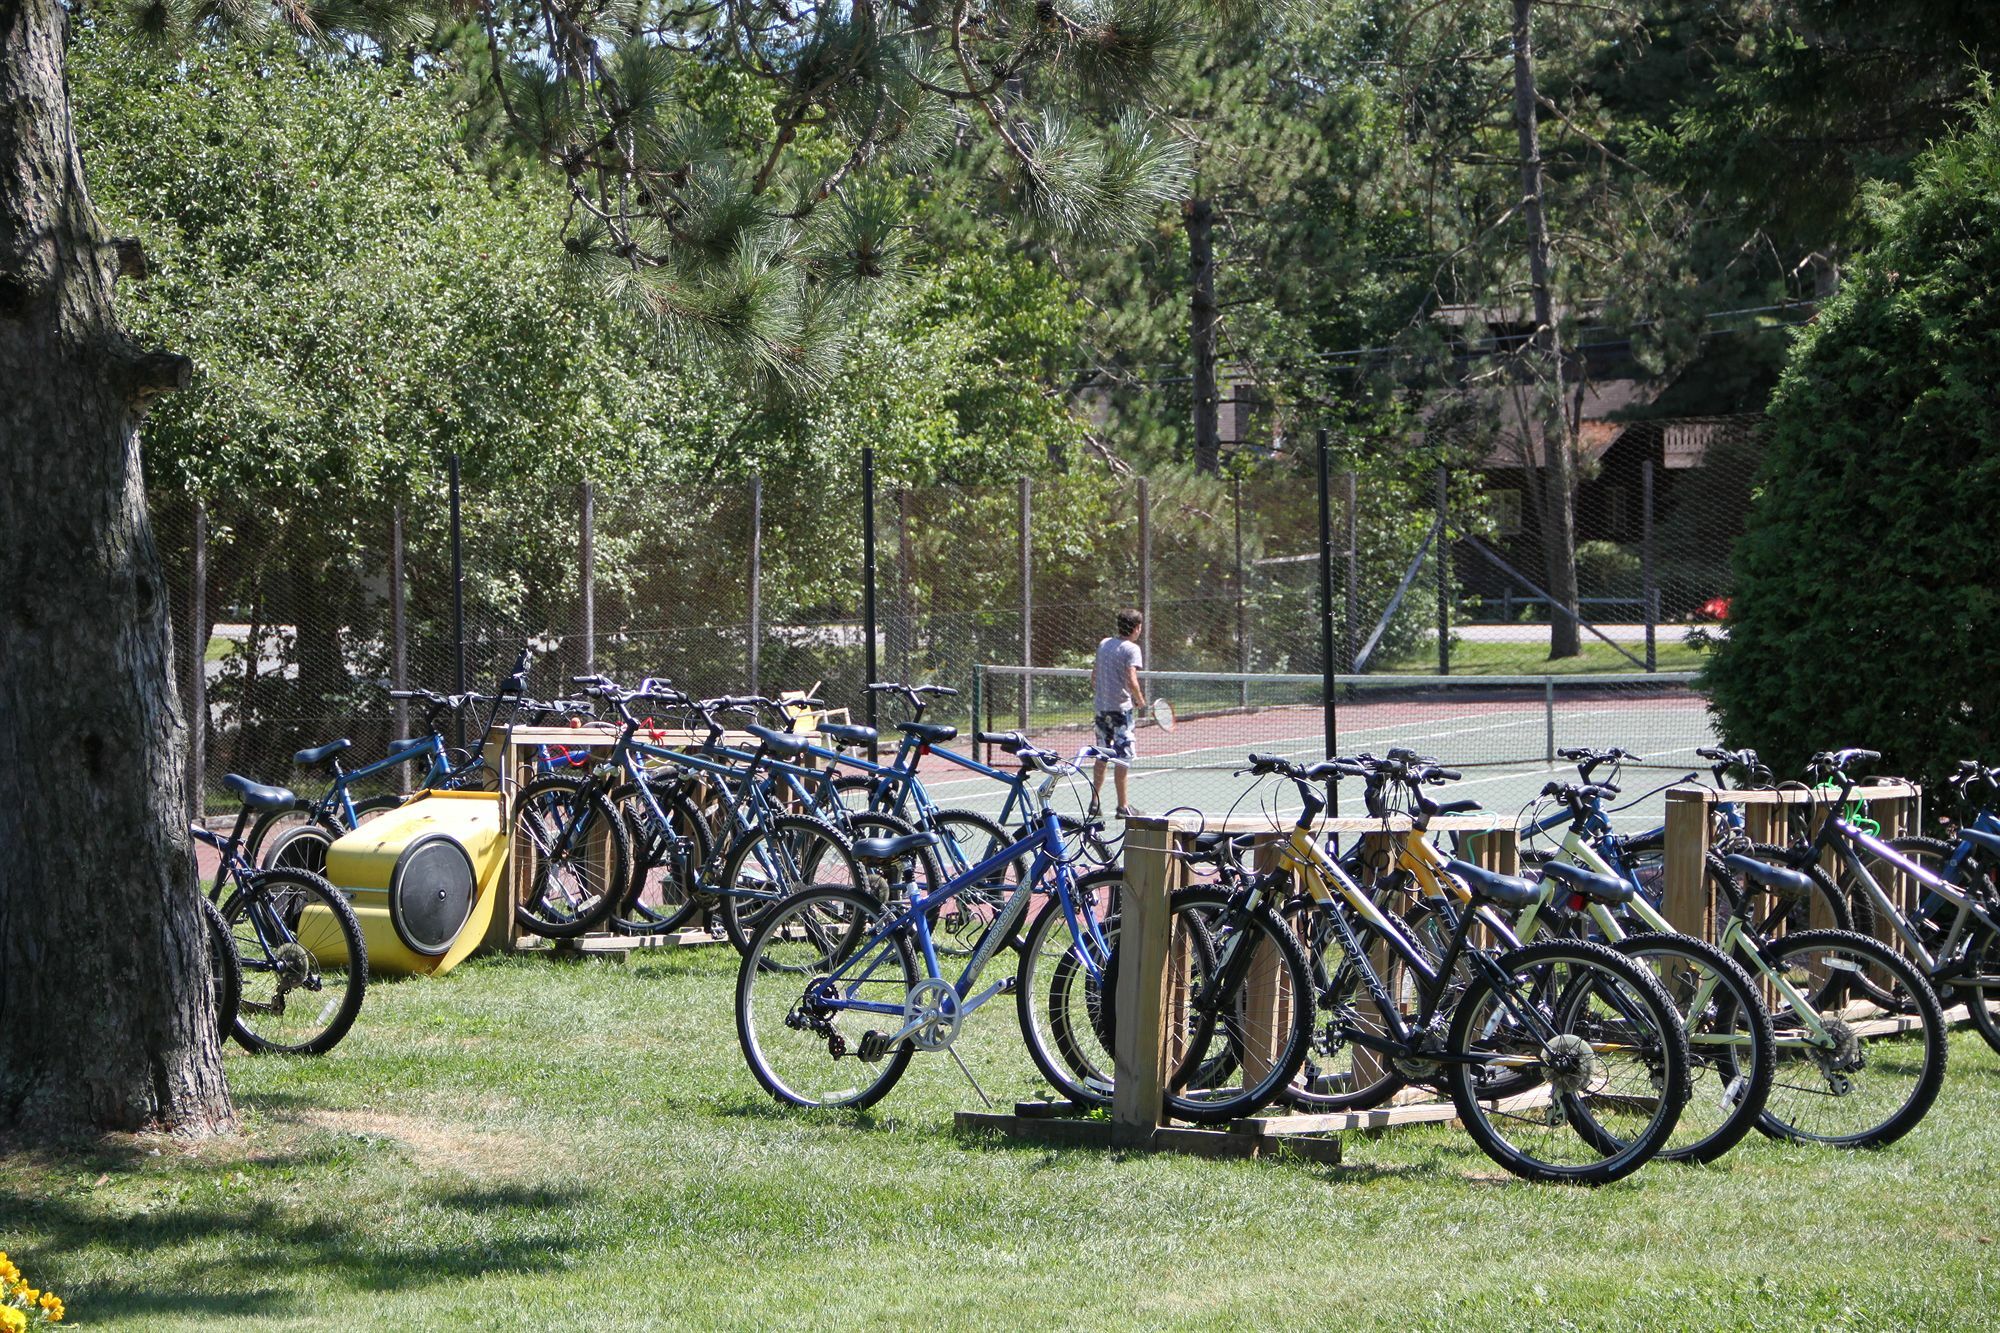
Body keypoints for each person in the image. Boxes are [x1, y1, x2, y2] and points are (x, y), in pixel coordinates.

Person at [1089, 607, 1146, 818]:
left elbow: (1094, 676)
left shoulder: (1104, 644)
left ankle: (1094, 804)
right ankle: (1123, 807)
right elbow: (1132, 679)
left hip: (1101, 710)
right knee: (1123, 757)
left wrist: (1105, 694)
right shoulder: (1131, 649)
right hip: (1121, 712)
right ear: (1137, 627)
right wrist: (1140, 700)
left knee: (1102, 755)